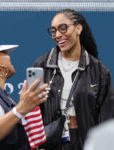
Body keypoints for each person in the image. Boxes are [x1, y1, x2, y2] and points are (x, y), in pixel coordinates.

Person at [33, 9, 114, 150]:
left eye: (63, 28)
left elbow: (106, 117)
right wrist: (36, 144)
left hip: (85, 143)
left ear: (78, 28)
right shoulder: (41, 65)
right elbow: (32, 110)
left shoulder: (100, 71)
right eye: (53, 31)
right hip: (51, 143)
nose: (57, 35)